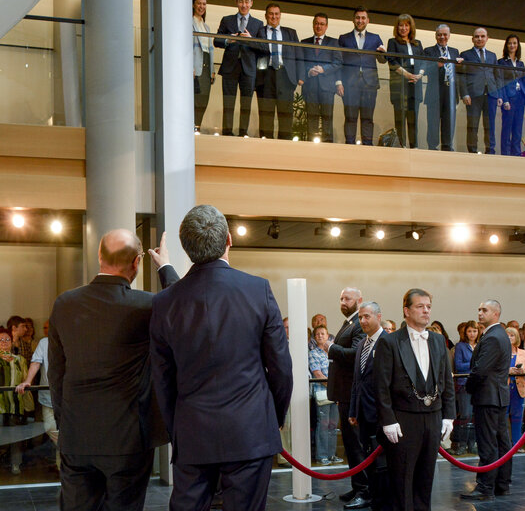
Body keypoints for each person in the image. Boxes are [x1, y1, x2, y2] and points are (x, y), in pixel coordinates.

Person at [150, 205, 292, 510]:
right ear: (229, 239)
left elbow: (162, 378)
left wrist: (178, 428)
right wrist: (274, 417)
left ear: (187, 249)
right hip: (251, 429)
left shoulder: (164, 303)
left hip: (192, 432)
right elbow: (281, 367)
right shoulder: (258, 290)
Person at [48, 229, 178, 510]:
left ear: (99, 257)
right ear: (136, 263)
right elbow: (182, 311)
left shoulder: (64, 304)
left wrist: (65, 423)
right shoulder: (146, 305)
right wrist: (165, 266)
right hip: (128, 439)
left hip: (76, 435)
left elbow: (56, 374)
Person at [374, 288, 455, 511]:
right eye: (420, 306)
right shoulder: (390, 342)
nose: (426, 311)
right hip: (403, 419)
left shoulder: (438, 340)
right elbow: (381, 386)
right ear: (406, 311)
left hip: (433, 417)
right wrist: (388, 419)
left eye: (428, 306)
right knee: (402, 478)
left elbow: (445, 380)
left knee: (426, 477)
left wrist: (449, 415)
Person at [320, 287, 369, 508]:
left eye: (347, 298)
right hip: (344, 393)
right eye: (340, 298)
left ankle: (365, 490)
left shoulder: (359, 324)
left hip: (353, 394)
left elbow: (355, 355)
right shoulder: (349, 323)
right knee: (350, 444)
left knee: (357, 445)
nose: (343, 302)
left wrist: (330, 347)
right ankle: (358, 485)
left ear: (359, 300)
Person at [461, 300, 511, 501]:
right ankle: (501, 484)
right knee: (501, 442)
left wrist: (469, 387)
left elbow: (480, 370)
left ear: (496, 313)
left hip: (488, 396)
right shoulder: (497, 334)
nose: (480, 313)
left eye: (484, 310)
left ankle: (485, 487)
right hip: (496, 396)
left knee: (489, 443)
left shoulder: (492, 336)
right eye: (479, 309)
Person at [349, 302, 391, 511]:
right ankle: (374, 498)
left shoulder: (388, 342)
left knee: (383, 464)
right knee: (369, 460)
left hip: (382, 414)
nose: (363, 321)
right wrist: (353, 411)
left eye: (367, 317)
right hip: (363, 413)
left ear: (378, 316)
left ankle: (383, 501)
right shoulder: (361, 345)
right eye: (360, 318)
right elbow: (358, 380)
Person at [255, 4, 305, 140]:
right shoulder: (259, 32)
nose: (274, 17)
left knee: (285, 115)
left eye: (276, 14)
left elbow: (299, 55)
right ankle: (265, 146)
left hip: (285, 76)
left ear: (280, 15)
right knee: (266, 114)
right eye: (271, 14)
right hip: (266, 76)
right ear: (266, 16)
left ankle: (284, 147)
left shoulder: (290, 33)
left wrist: (300, 76)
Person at [337, 7, 386, 145]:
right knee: (350, 117)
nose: (360, 20)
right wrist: (339, 82)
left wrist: (383, 53)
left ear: (368, 20)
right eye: (358, 17)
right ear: (353, 19)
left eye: (363, 18)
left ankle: (367, 147)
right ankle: (350, 146)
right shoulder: (343, 38)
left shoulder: (375, 38)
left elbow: (382, 60)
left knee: (368, 118)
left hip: (369, 83)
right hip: (349, 84)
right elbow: (338, 62)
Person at [215, 0, 264, 136]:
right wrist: (227, 40)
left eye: (247, 2)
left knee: (246, 103)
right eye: (241, 1)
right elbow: (216, 40)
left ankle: (243, 133)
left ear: (252, 3)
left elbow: (264, 47)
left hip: (248, 68)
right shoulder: (227, 20)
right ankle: (227, 132)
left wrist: (251, 39)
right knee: (228, 102)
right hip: (230, 66)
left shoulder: (258, 24)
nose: (244, 5)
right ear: (237, 3)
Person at [15, 326, 60, 469]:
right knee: (50, 426)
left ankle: (63, 469)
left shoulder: (73, 341)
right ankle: (69, 452)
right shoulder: (44, 342)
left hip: (69, 398)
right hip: (48, 396)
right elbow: (35, 362)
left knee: (67, 433)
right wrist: (28, 380)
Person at [459, 27, 502, 154]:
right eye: (477, 36)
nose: (479, 39)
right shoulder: (465, 54)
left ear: (487, 38)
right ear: (472, 39)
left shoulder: (492, 55)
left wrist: (499, 94)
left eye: (482, 36)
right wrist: (465, 93)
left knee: (490, 125)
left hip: (491, 94)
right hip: (473, 95)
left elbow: (497, 76)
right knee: (473, 125)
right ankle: (472, 151)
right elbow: (462, 76)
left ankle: (490, 150)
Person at [301, 13, 343, 143]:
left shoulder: (333, 42)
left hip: (327, 87)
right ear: (313, 24)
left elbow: (338, 63)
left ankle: (328, 148)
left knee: (327, 118)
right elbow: (301, 63)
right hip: (310, 87)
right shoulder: (304, 43)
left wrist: (323, 69)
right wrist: (308, 72)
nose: (319, 26)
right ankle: (311, 147)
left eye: (322, 24)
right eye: (317, 23)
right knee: (311, 119)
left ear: (326, 26)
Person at [386, 14, 425, 148]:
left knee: (413, 119)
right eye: (401, 25)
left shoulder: (417, 43)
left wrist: (418, 75)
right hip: (400, 85)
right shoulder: (393, 42)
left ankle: (414, 147)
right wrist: (407, 74)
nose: (403, 28)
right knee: (400, 119)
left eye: (406, 25)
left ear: (411, 27)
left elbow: (424, 62)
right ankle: (401, 147)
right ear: (397, 28)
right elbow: (392, 61)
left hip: (415, 85)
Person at [1, 327, 33, 475]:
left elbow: (26, 379)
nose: (4, 343)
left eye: (7, 339)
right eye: (0, 340)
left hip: (16, 403)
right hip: (0, 404)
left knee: (15, 437)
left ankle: (15, 465)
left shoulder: (20, 360)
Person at [423, 24, 460, 151]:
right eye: (439, 34)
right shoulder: (428, 51)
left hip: (450, 92)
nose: (442, 37)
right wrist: (436, 65)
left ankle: (447, 148)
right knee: (433, 124)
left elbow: (458, 75)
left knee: (449, 124)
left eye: (445, 34)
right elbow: (424, 70)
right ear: (435, 36)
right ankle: (432, 148)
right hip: (434, 93)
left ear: (449, 36)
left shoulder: (455, 52)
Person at [308, 325, 340, 465]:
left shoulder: (334, 352)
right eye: (318, 334)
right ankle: (321, 456)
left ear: (328, 336)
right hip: (323, 393)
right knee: (323, 425)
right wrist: (333, 387)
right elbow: (317, 373)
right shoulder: (313, 353)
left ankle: (332, 454)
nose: (320, 336)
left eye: (323, 334)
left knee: (333, 425)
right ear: (315, 338)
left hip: (335, 393)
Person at [497, 34, 525, 156]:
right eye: (510, 43)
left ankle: (516, 154)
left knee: (518, 128)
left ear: (518, 46)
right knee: (507, 128)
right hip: (509, 98)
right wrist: (504, 99)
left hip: (520, 97)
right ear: (506, 45)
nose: (512, 45)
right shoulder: (501, 62)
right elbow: (500, 82)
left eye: (514, 43)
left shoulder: (521, 64)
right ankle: (505, 154)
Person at [451, 320, 480, 455]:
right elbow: (459, 365)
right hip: (464, 384)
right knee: (465, 414)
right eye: (470, 331)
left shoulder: (480, 345)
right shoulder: (461, 346)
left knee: (475, 415)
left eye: (474, 331)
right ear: (465, 332)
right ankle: (462, 444)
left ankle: (472, 443)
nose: (472, 334)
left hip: (479, 384)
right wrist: (475, 364)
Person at [507, 326, 525, 447]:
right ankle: (504, 444)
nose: (509, 338)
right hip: (504, 387)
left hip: (519, 388)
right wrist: (508, 370)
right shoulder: (500, 352)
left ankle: (517, 443)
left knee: (517, 417)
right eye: (507, 335)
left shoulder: (524, 353)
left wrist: (523, 371)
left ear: (517, 337)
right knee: (503, 416)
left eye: (512, 335)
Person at [193, 0, 215, 132]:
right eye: (199, 3)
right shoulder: (189, 22)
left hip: (207, 66)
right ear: (193, 5)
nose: (202, 6)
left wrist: (212, 70)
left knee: (204, 101)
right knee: (194, 100)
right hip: (196, 66)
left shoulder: (207, 27)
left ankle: (197, 128)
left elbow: (210, 49)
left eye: (204, 4)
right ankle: (191, 128)